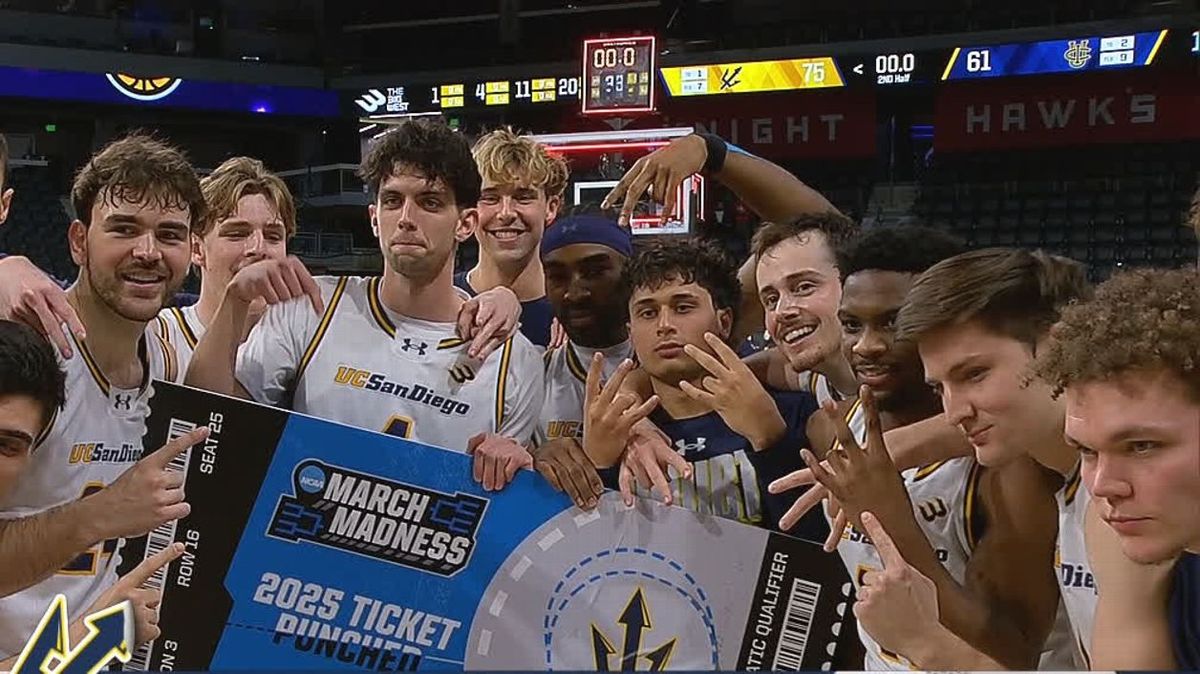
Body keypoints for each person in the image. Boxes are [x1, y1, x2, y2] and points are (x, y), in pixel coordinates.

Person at [186, 118, 542, 490]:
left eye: (429, 202)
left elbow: (507, 498)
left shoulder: (514, 360)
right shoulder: (312, 306)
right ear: (374, 219)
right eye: (392, 200)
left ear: (465, 224)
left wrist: (519, 464)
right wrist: (234, 301)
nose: (406, 218)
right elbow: (208, 415)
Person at [774, 228, 1062, 669]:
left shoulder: (1006, 462)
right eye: (852, 324)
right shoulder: (830, 426)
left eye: (893, 322)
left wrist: (892, 520)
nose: (867, 345)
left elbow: (1012, 652)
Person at [0, 134, 211, 657]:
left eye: (169, 234)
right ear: (78, 241)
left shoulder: (168, 361)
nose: (148, 251)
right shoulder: (24, 351)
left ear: (191, 250)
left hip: (88, 657)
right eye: (123, 229)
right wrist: (104, 512)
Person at [841, 248, 1095, 669]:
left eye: (974, 374)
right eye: (940, 388)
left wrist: (925, 642)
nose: (955, 411)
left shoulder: (1125, 493)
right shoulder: (1080, 480)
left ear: (1060, 342)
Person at [585, 238, 825, 538]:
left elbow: (819, 550)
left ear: (723, 322)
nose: (664, 325)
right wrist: (602, 468)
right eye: (647, 313)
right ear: (631, 333)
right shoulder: (614, 433)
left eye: (683, 307)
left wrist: (772, 442)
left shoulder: (795, 412)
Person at [1035, 268, 1200, 670]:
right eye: (1087, 452)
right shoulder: (1149, 545)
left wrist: (929, 641)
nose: (1104, 486)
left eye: (1143, 446)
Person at [532, 214, 642, 508]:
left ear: (630, 275)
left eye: (594, 272)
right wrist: (534, 462)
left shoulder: (670, 361)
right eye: (557, 277)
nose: (573, 292)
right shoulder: (530, 375)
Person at [454, 128, 564, 347]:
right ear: (469, 210)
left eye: (523, 197)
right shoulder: (444, 301)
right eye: (490, 198)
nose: (506, 213)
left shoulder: (575, 311)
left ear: (551, 208)